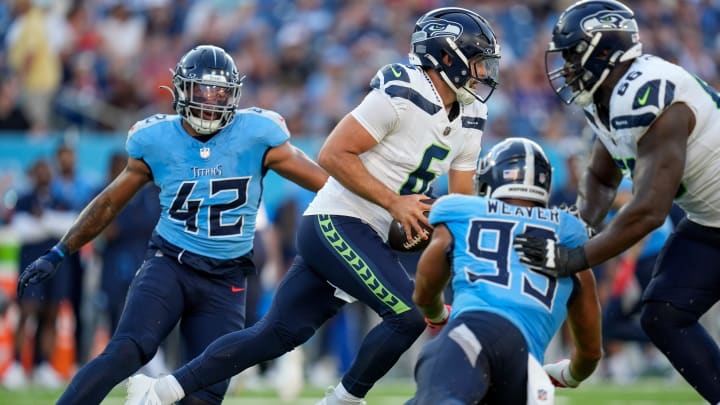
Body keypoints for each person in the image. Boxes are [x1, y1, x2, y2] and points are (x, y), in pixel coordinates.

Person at [125, 7, 500, 405]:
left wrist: (467, 263)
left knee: (274, 335)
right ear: (446, 57)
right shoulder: (403, 92)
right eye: (476, 61)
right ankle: (341, 401)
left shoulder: (473, 114)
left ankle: (160, 390)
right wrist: (395, 203)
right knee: (406, 315)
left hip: (369, 233)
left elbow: (461, 205)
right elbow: (333, 154)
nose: (483, 72)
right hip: (338, 220)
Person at [16, 44, 328, 405]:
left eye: (220, 91)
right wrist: (59, 251)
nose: (210, 101)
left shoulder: (258, 134)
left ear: (235, 94)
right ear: (181, 90)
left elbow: (327, 183)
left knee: (206, 394)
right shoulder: (157, 139)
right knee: (127, 350)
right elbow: (108, 202)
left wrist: (377, 204)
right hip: (170, 265)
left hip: (226, 280)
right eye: (201, 90)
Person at [512, 1, 720, 402]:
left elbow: (648, 211)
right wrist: (576, 229)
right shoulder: (605, 96)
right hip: (710, 220)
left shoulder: (651, 93)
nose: (567, 65)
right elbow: (600, 175)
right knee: (665, 314)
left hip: (706, 217)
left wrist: (574, 258)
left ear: (603, 50)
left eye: (573, 54)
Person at [407, 138, 602, 404]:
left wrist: (438, 315)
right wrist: (569, 374)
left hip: (474, 332)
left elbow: (424, 291)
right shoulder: (570, 233)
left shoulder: (460, 210)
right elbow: (591, 353)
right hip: (526, 367)